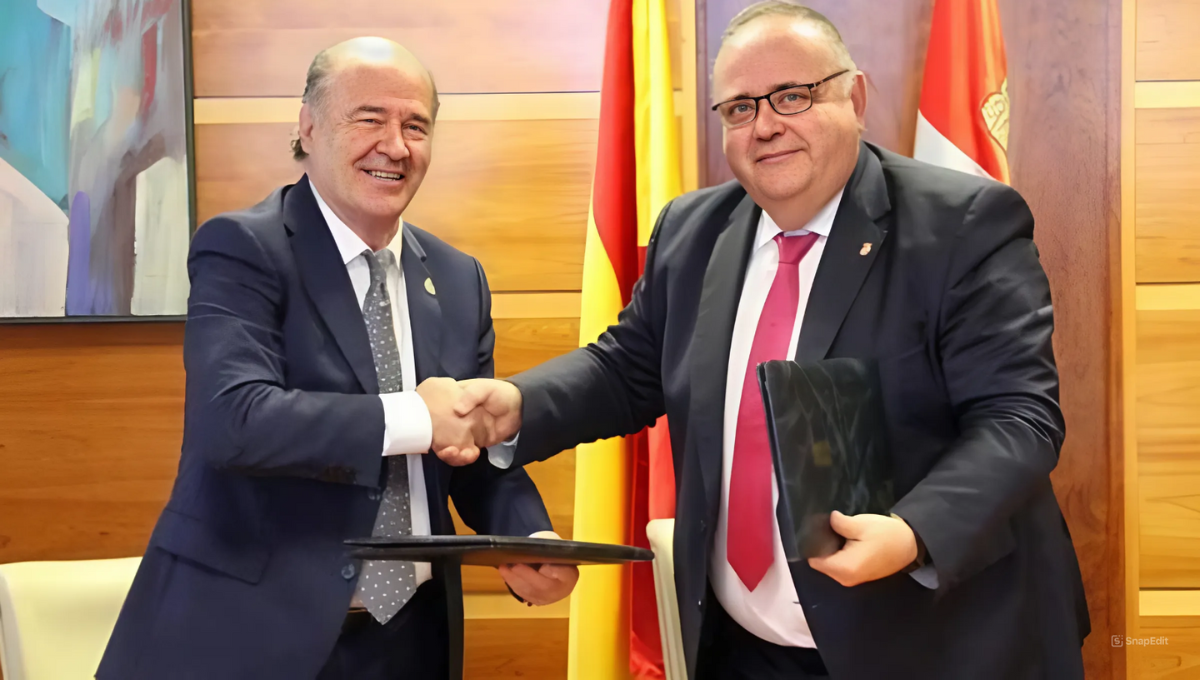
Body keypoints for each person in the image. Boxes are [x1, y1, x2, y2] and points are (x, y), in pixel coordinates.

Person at [453, 3, 1089, 679]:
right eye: (739, 108)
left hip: (939, 642)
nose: (766, 126)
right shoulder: (693, 230)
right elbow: (628, 369)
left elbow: (1018, 419)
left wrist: (912, 533)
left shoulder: (963, 225)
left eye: (793, 96)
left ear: (856, 96)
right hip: (743, 649)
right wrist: (515, 405)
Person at [97, 37, 577, 680]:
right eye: (369, 118)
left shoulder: (461, 280)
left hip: (410, 641)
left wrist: (530, 541)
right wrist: (416, 417)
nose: (396, 145)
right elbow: (233, 421)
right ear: (308, 125)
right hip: (250, 635)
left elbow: (470, 445)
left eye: (416, 126)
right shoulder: (244, 248)